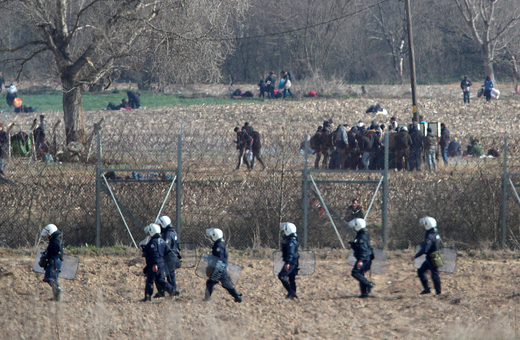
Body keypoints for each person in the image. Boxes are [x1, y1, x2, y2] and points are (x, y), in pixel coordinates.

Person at [204, 228, 242, 302]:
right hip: (221, 268)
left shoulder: (219, 246)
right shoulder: (220, 244)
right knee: (226, 284)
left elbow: (219, 258)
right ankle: (237, 297)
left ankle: (207, 299)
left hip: (219, 268)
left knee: (210, 283)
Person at [141, 223, 176, 302]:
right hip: (161, 264)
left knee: (150, 281)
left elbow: (154, 253)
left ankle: (147, 297)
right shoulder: (162, 241)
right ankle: (172, 291)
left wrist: (155, 264)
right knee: (160, 280)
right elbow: (166, 250)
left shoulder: (153, 242)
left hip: (154, 264)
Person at [410, 217, 442, 295]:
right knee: (421, 271)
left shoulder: (430, 236)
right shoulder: (436, 234)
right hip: (433, 257)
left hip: (432, 259)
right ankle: (427, 289)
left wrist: (416, 256)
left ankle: (438, 293)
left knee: (435, 275)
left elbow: (425, 249)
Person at [153, 216, 181, 298]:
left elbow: (165, 246)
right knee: (170, 275)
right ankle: (171, 291)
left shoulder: (168, 234)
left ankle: (169, 291)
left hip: (169, 258)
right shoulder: (173, 232)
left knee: (164, 275)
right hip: (173, 257)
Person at [348, 218, 375, 298]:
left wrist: (361, 260)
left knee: (355, 272)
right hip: (366, 257)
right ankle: (364, 293)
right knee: (361, 274)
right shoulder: (363, 234)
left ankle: (369, 284)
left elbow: (363, 250)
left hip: (364, 258)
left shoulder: (361, 237)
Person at [40, 224, 64, 301]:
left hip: (55, 261)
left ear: (51, 232)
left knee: (50, 278)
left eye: (47, 233)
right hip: (55, 261)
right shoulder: (54, 240)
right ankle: (57, 297)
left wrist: (48, 255)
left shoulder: (55, 241)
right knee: (51, 278)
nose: (46, 235)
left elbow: (55, 251)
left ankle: (58, 289)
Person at [278, 222, 299, 299]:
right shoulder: (293, 240)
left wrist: (288, 263)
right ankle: (292, 294)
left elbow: (290, 253)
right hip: (294, 262)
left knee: (281, 276)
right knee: (291, 278)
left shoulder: (291, 242)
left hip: (291, 262)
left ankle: (291, 292)